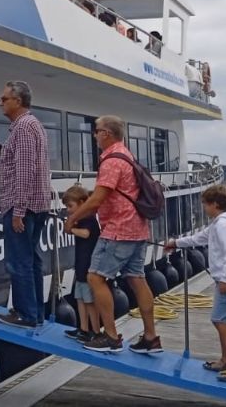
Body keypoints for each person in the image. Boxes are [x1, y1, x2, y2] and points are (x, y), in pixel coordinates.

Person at [64, 115, 161, 353]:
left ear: (106, 133)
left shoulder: (111, 161)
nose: (94, 135)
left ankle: (110, 336)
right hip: (138, 228)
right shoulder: (127, 155)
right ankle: (151, 337)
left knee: (95, 278)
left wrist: (72, 218)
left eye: (96, 131)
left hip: (119, 230)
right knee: (137, 279)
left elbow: (97, 198)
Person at [164, 185, 226, 380]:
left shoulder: (222, 225)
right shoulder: (219, 223)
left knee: (220, 320)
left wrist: (225, 278)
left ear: (215, 204)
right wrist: (175, 243)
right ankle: (225, 359)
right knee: (219, 319)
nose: (203, 208)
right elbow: (199, 238)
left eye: (205, 204)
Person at [0, 81, 54, 328]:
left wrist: (18, 211)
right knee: (31, 259)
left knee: (19, 261)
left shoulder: (24, 128)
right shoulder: (31, 125)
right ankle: (36, 313)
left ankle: (25, 314)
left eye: (4, 98)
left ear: (18, 101)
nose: (0, 103)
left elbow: (24, 171)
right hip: (36, 205)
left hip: (25, 207)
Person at [61, 185, 101, 342]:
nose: (69, 210)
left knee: (90, 301)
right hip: (80, 266)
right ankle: (83, 328)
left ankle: (95, 331)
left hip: (88, 267)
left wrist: (71, 230)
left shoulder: (89, 219)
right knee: (80, 298)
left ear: (83, 202)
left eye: (70, 206)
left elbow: (87, 234)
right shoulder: (81, 220)